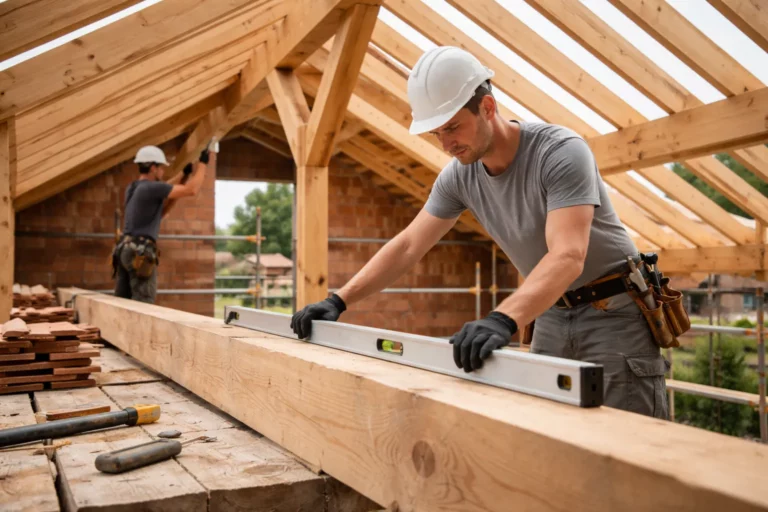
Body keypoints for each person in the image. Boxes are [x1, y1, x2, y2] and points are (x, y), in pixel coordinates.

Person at [290, 46, 676, 419]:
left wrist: (501, 319)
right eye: (437, 133)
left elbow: (568, 255)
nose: (446, 144)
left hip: (614, 313)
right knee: (554, 444)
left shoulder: (559, 152)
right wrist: (339, 300)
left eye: (453, 127)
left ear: (487, 107)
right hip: (552, 313)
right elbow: (408, 245)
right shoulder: (459, 176)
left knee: (627, 447)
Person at [112, 140, 218, 303]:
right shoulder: (151, 188)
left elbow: (161, 209)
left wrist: (183, 174)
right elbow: (192, 190)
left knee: (121, 303)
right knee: (143, 306)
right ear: (153, 167)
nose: (162, 171)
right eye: (161, 167)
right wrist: (203, 163)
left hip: (124, 251)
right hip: (140, 253)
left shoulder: (133, 188)